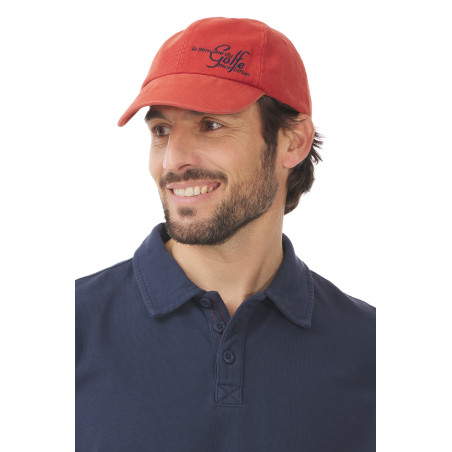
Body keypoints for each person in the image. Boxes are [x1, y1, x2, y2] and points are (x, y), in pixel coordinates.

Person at [75, 17, 375, 452]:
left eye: (210, 125)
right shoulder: (68, 327)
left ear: (293, 141)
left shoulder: (371, 347)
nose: (172, 160)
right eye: (161, 131)